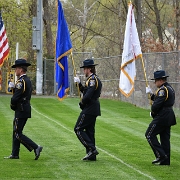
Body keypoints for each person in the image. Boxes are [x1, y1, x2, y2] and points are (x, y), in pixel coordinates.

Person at [4, 59, 43, 160]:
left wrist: (12, 104)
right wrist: (13, 88)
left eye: (16, 68)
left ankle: (36, 147)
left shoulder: (21, 82)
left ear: (21, 69)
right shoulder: (26, 80)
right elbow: (21, 94)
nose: (15, 70)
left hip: (21, 109)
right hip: (24, 108)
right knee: (16, 131)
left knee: (17, 133)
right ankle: (15, 153)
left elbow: (16, 97)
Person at [145, 70, 176, 165]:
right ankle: (165, 161)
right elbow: (162, 99)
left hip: (163, 115)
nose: (155, 82)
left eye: (156, 80)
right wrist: (152, 95)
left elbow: (156, 105)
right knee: (165, 138)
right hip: (169, 114)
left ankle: (160, 155)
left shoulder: (163, 90)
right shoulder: (169, 88)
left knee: (149, 134)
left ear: (161, 80)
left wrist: (153, 112)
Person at [74, 59, 102, 161]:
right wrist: (79, 84)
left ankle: (91, 149)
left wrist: (82, 103)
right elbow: (85, 91)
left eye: (85, 69)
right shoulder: (90, 79)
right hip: (92, 107)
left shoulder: (93, 80)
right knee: (89, 131)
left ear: (89, 69)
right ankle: (91, 155)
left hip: (90, 107)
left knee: (78, 128)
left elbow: (88, 95)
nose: (83, 71)